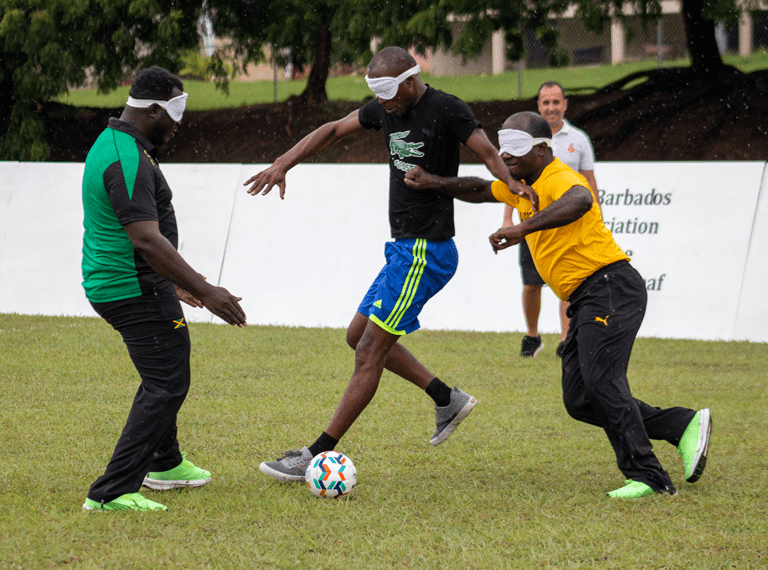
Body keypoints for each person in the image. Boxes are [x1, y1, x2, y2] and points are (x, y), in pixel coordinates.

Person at [245, 46, 536, 482]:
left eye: (388, 91)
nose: (382, 102)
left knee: (368, 352)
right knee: (357, 335)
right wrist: (284, 162)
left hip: (426, 250)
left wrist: (512, 184)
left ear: (411, 80)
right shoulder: (385, 109)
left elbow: (488, 153)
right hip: (403, 249)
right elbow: (331, 130)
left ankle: (316, 452)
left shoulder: (446, 109)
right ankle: (445, 398)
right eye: (375, 93)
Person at [404, 111, 712, 498]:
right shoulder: (521, 185)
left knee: (602, 381)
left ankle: (649, 476)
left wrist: (521, 227)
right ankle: (680, 425)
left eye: (517, 149)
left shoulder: (559, 176)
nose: (508, 157)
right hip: (586, 297)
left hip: (610, 286)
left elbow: (581, 199)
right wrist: (433, 182)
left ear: (543, 148)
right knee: (580, 398)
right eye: (504, 148)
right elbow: (481, 188)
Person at [80, 66, 247, 511]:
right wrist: (206, 289)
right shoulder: (126, 158)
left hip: (133, 281)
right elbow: (145, 238)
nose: (179, 123)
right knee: (166, 383)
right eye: (173, 113)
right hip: (132, 288)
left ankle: (166, 463)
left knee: (164, 369)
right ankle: (111, 491)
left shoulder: (118, 144)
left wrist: (179, 285)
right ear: (152, 110)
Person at [503, 82, 600, 358]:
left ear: (565, 105)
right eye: (546, 103)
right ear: (538, 106)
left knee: (567, 283)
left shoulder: (579, 140)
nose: (551, 108)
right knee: (532, 284)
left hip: (568, 224)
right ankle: (532, 337)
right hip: (531, 223)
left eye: (556, 102)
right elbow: (513, 184)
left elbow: (590, 184)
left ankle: (566, 339)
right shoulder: (523, 139)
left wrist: (598, 218)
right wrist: (509, 220)